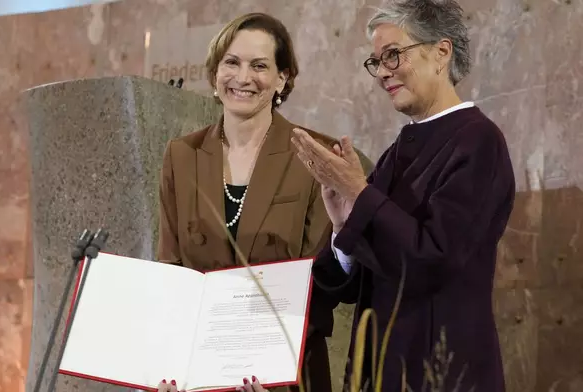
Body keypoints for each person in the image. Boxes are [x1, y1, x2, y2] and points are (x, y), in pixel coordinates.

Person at [291, 1, 515, 391]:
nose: (382, 73)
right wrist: (344, 226)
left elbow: (433, 258)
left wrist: (358, 192)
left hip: (441, 372)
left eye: (393, 55)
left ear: (441, 53)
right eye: (375, 61)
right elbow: (356, 282)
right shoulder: (398, 151)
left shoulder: (478, 141)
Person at [155, 12, 342, 392]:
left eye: (259, 66)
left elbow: (320, 279)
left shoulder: (315, 154)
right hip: (198, 380)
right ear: (214, 73)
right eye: (232, 63)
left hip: (286, 376)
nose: (243, 78)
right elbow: (171, 271)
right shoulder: (181, 155)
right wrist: (172, 366)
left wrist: (263, 363)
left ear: (282, 78)